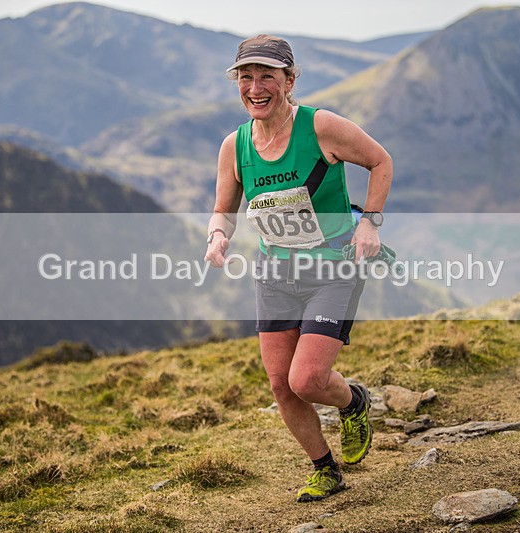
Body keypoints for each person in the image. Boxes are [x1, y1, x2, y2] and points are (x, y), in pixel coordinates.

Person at [204, 34, 392, 502]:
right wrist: (218, 236)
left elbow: (380, 161)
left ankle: (354, 401)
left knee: (306, 380)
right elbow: (223, 207)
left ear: (289, 80)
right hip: (275, 274)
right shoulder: (235, 145)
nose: (255, 87)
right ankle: (324, 468)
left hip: (333, 268)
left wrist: (369, 224)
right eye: (245, 77)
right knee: (280, 384)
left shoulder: (321, 126)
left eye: (267, 75)